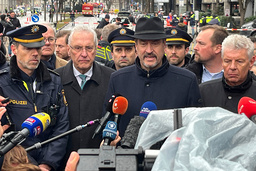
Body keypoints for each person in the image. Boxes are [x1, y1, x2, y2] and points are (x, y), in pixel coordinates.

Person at [103, 17, 201, 138]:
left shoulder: (187, 81)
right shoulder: (117, 79)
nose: (149, 50)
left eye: (155, 43)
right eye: (143, 43)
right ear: (136, 47)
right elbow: (109, 124)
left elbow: (194, 131)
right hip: (127, 156)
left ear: (164, 45)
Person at [0, 24, 69, 171]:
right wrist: (30, 166)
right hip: (16, 165)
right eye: (28, 48)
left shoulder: (54, 80)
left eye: (38, 48)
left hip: (50, 165)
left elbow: (62, 127)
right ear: (14, 50)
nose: (35, 53)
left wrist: (47, 164)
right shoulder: (1, 82)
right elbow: (4, 132)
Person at [55, 25, 115, 168]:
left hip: (100, 162)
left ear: (96, 49)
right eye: (77, 48)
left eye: (89, 48)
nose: (84, 54)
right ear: (69, 50)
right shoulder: (55, 79)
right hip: (61, 162)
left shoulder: (111, 78)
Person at [199, 35, 256, 113]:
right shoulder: (204, 91)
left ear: (251, 62)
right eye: (227, 61)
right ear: (222, 61)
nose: (232, 67)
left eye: (239, 61)